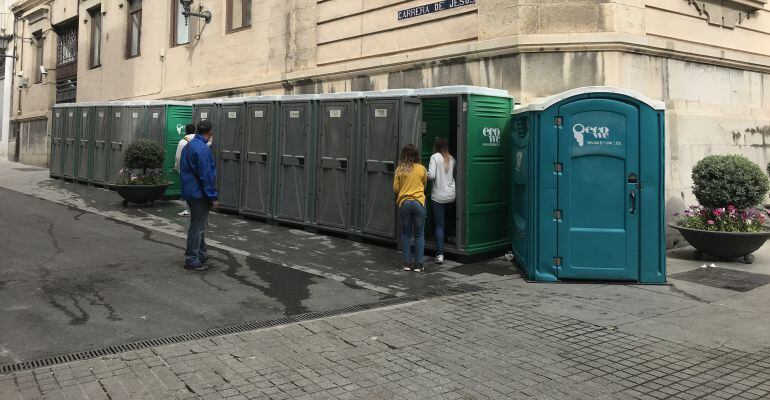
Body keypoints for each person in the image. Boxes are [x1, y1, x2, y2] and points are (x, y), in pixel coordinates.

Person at [179, 120, 219, 271]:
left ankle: (201, 254)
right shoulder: (203, 149)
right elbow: (206, 175)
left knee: (200, 225)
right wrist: (213, 197)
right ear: (210, 133)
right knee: (198, 227)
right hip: (199, 194)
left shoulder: (189, 145)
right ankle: (192, 258)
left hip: (190, 191)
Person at [393, 144, 427, 272]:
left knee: (406, 234)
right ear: (416, 155)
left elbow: (396, 188)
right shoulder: (421, 169)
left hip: (405, 203)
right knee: (419, 235)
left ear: (404, 155)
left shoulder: (400, 169)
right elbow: (424, 185)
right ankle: (419, 265)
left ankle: (406, 264)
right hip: (418, 203)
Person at [427, 138, 456, 265]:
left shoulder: (434, 157)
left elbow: (431, 176)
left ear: (436, 146)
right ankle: (453, 238)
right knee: (450, 218)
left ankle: (440, 254)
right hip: (451, 194)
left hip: (438, 195)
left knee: (439, 225)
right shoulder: (452, 159)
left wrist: (423, 173)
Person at [174, 124, 198, 216]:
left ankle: (188, 210)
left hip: (186, 169)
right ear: (195, 131)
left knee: (187, 189)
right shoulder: (198, 141)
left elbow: (177, 156)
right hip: (197, 169)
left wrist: (177, 167)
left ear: (185, 131)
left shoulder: (182, 142)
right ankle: (196, 209)